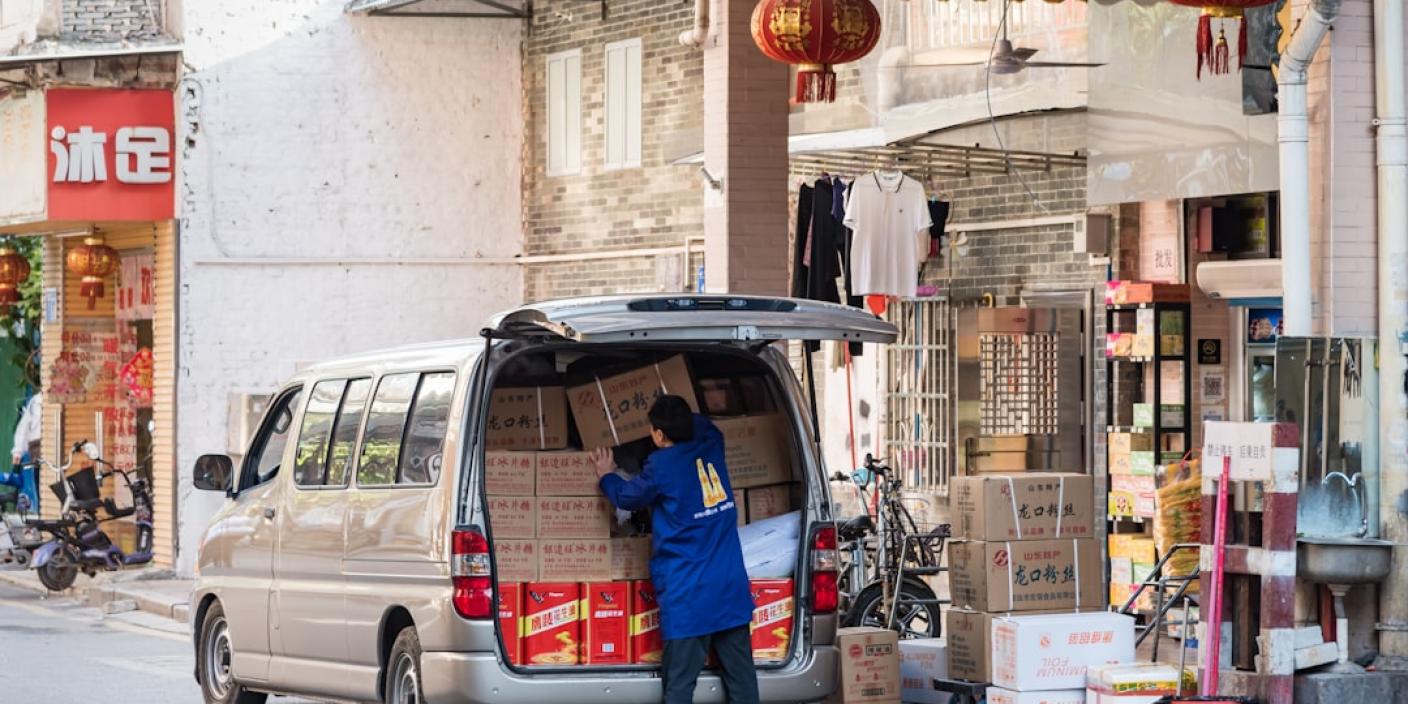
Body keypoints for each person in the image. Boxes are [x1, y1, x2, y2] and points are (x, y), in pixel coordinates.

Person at [593, 395, 759, 704]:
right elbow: (705, 425)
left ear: (658, 435)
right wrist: (679, 415)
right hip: (729, 588)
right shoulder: (712, 444)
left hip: (689, 596)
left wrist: (607, 476)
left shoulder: (662, 465)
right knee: (743, 683)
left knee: (679, 687)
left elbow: (628, 497)